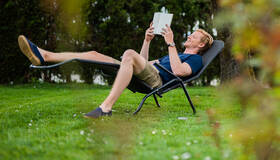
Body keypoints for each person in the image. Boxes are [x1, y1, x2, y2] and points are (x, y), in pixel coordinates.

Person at [18, 23, 213, 118]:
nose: (189, 36)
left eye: (193, 36)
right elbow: (143, 62)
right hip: (145, 72)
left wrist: (170, 42)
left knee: (128, 53)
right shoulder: (174, 54)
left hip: (157, 81)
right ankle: (45, 56)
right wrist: (147, 40)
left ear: (202, 44)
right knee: (94, 53)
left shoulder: (194, 59)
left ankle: (106, 108)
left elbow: (179, 72)